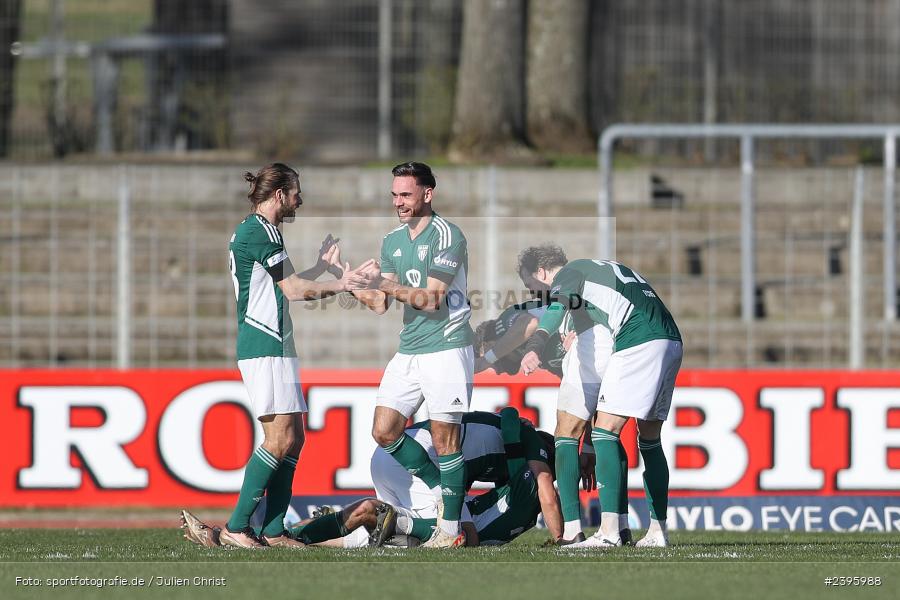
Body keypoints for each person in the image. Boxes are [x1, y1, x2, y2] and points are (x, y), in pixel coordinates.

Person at [214, 163, 372, 549]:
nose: (301, 198)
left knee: (294, 437)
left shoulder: (262, 231)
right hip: (263, 344)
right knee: (279, 438)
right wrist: (342, 282)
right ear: (280, 193)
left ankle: (273, 529)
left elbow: (285, 281)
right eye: (297, 191)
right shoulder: (259, 231)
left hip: (276, 346)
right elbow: (295, 290)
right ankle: (237, 526)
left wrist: (321, 267)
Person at [519, 246, 682, 549]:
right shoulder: (601, 268)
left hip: (637, 340)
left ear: (542, 273)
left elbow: (556, 308)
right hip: (670, 339)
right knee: (649, 440)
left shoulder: (568, 274)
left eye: (534, 287)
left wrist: (537, 343)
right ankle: (657, 531)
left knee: (605, 431)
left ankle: (608, 532)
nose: (539, 295)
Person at [360, 162, 475, 548]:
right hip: (409, 349)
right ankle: (444, 489)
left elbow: (430, 298)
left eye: (406, 194)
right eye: (394, 195)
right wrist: (349, 282)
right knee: (384, 430)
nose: (398, 202)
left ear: (428, 193)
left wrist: (383, 283)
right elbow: (379, 302)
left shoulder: (448, 235)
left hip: (447, 347)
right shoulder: (393, 240)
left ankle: (449, 532)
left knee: (446, 440)